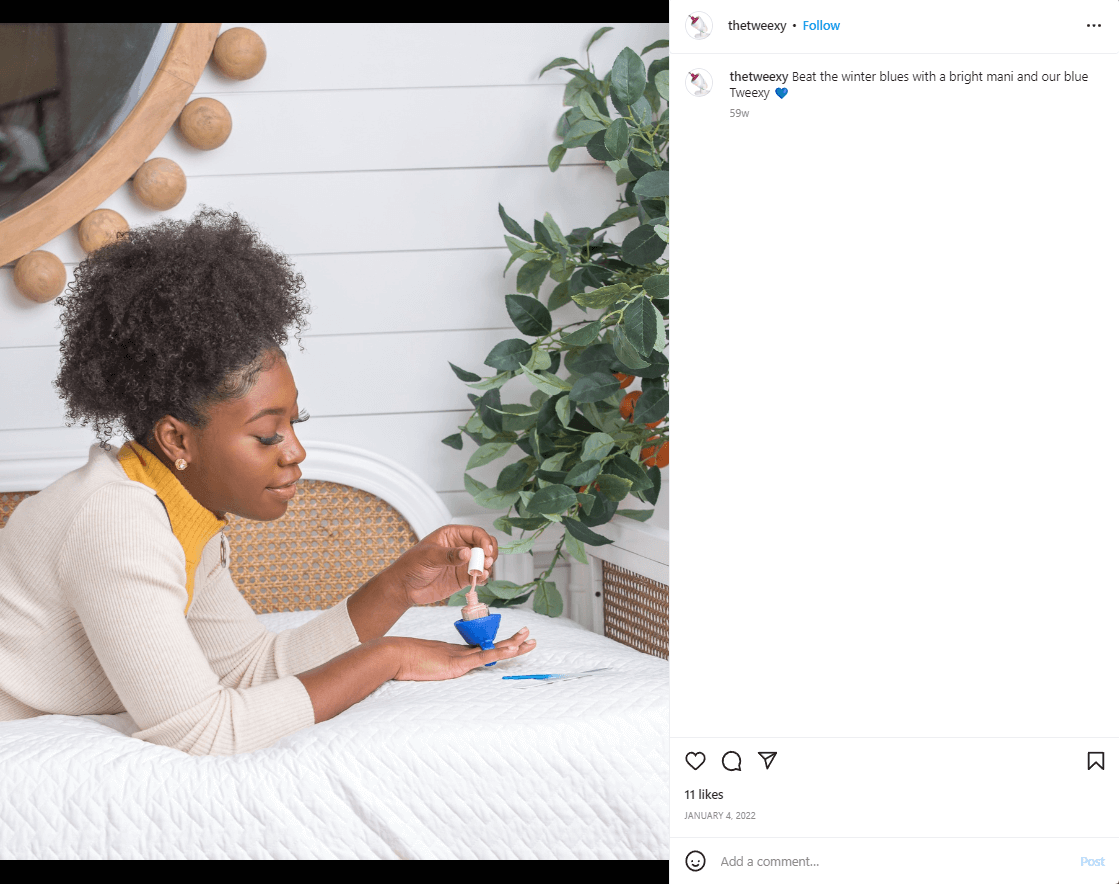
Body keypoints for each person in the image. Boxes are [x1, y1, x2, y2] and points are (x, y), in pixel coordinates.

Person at [0, 208, 536, 755]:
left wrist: (399, 587)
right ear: (177, 440)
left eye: (293, 425)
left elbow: (249, 670)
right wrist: (388, 658)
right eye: (266, 435)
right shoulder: (116, 520)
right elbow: (203, 732)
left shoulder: (175, 510)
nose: (296, 452)